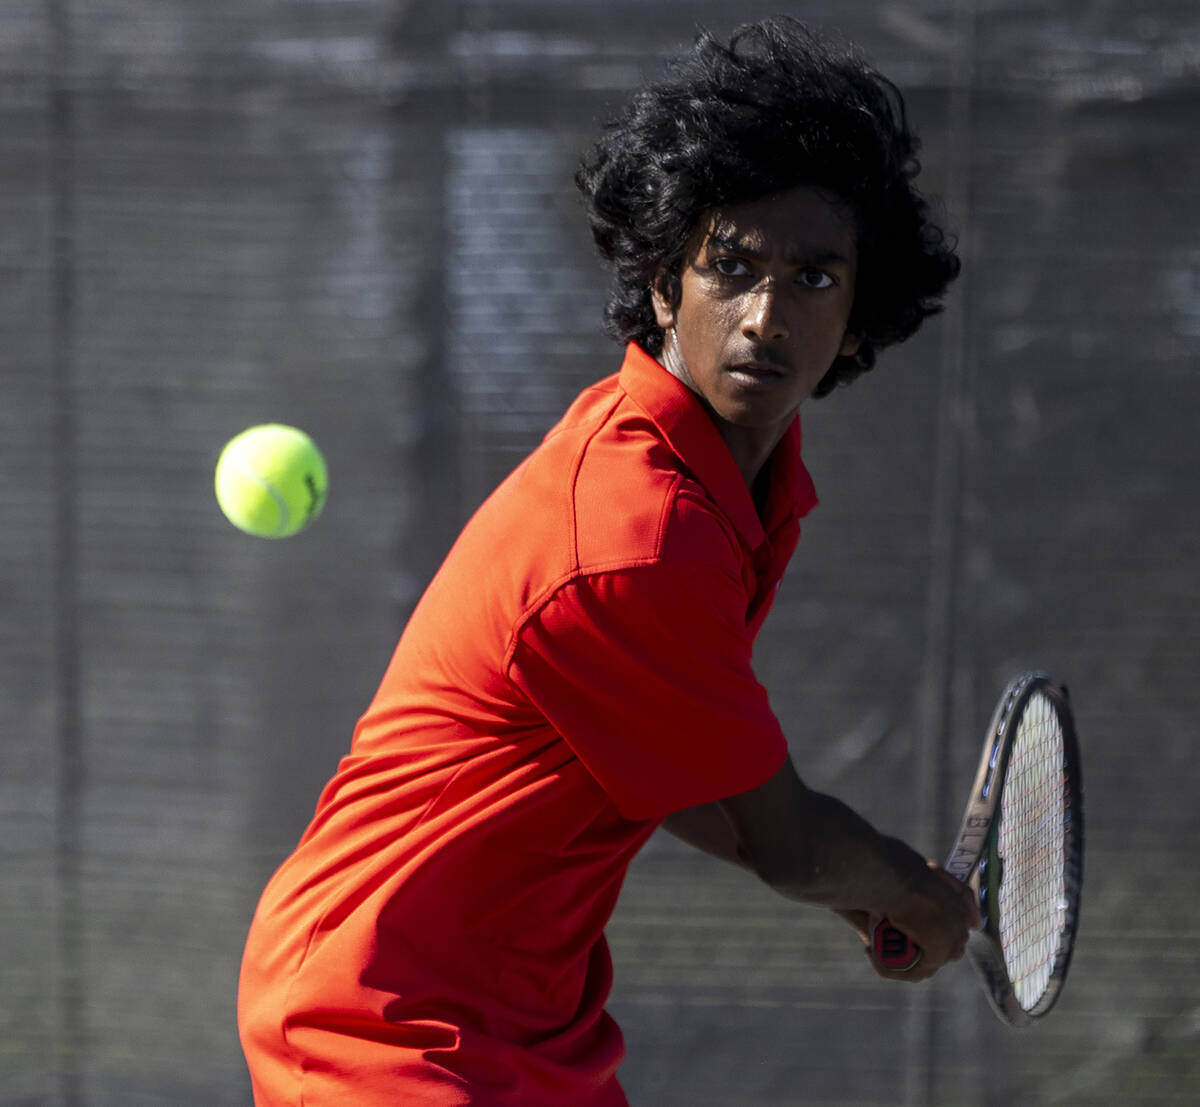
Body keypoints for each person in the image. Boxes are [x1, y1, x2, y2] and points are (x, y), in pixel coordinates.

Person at [238, 17, 980, 1106]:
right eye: (732, 266)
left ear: (859, 314)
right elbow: (780, 841)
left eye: (815, 278)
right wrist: (910, 890)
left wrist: (864, 890)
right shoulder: (636, 536)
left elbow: (674, 773)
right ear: (663, 280)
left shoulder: (742, 487)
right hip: (381, 1028)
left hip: (525, 1020)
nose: (767, 315)